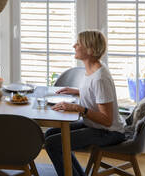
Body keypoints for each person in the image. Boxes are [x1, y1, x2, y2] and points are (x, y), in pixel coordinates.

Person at [44, 30, 125, 176]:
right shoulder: (94, 69)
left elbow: (106, 120)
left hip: (109, 132)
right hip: (96, 126)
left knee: (53, 143)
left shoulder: (100, 78)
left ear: (90, 50)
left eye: (78, 43)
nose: (74, 45)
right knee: (50, 134)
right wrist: (78, 91)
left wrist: (78, 107)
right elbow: (96, 94)